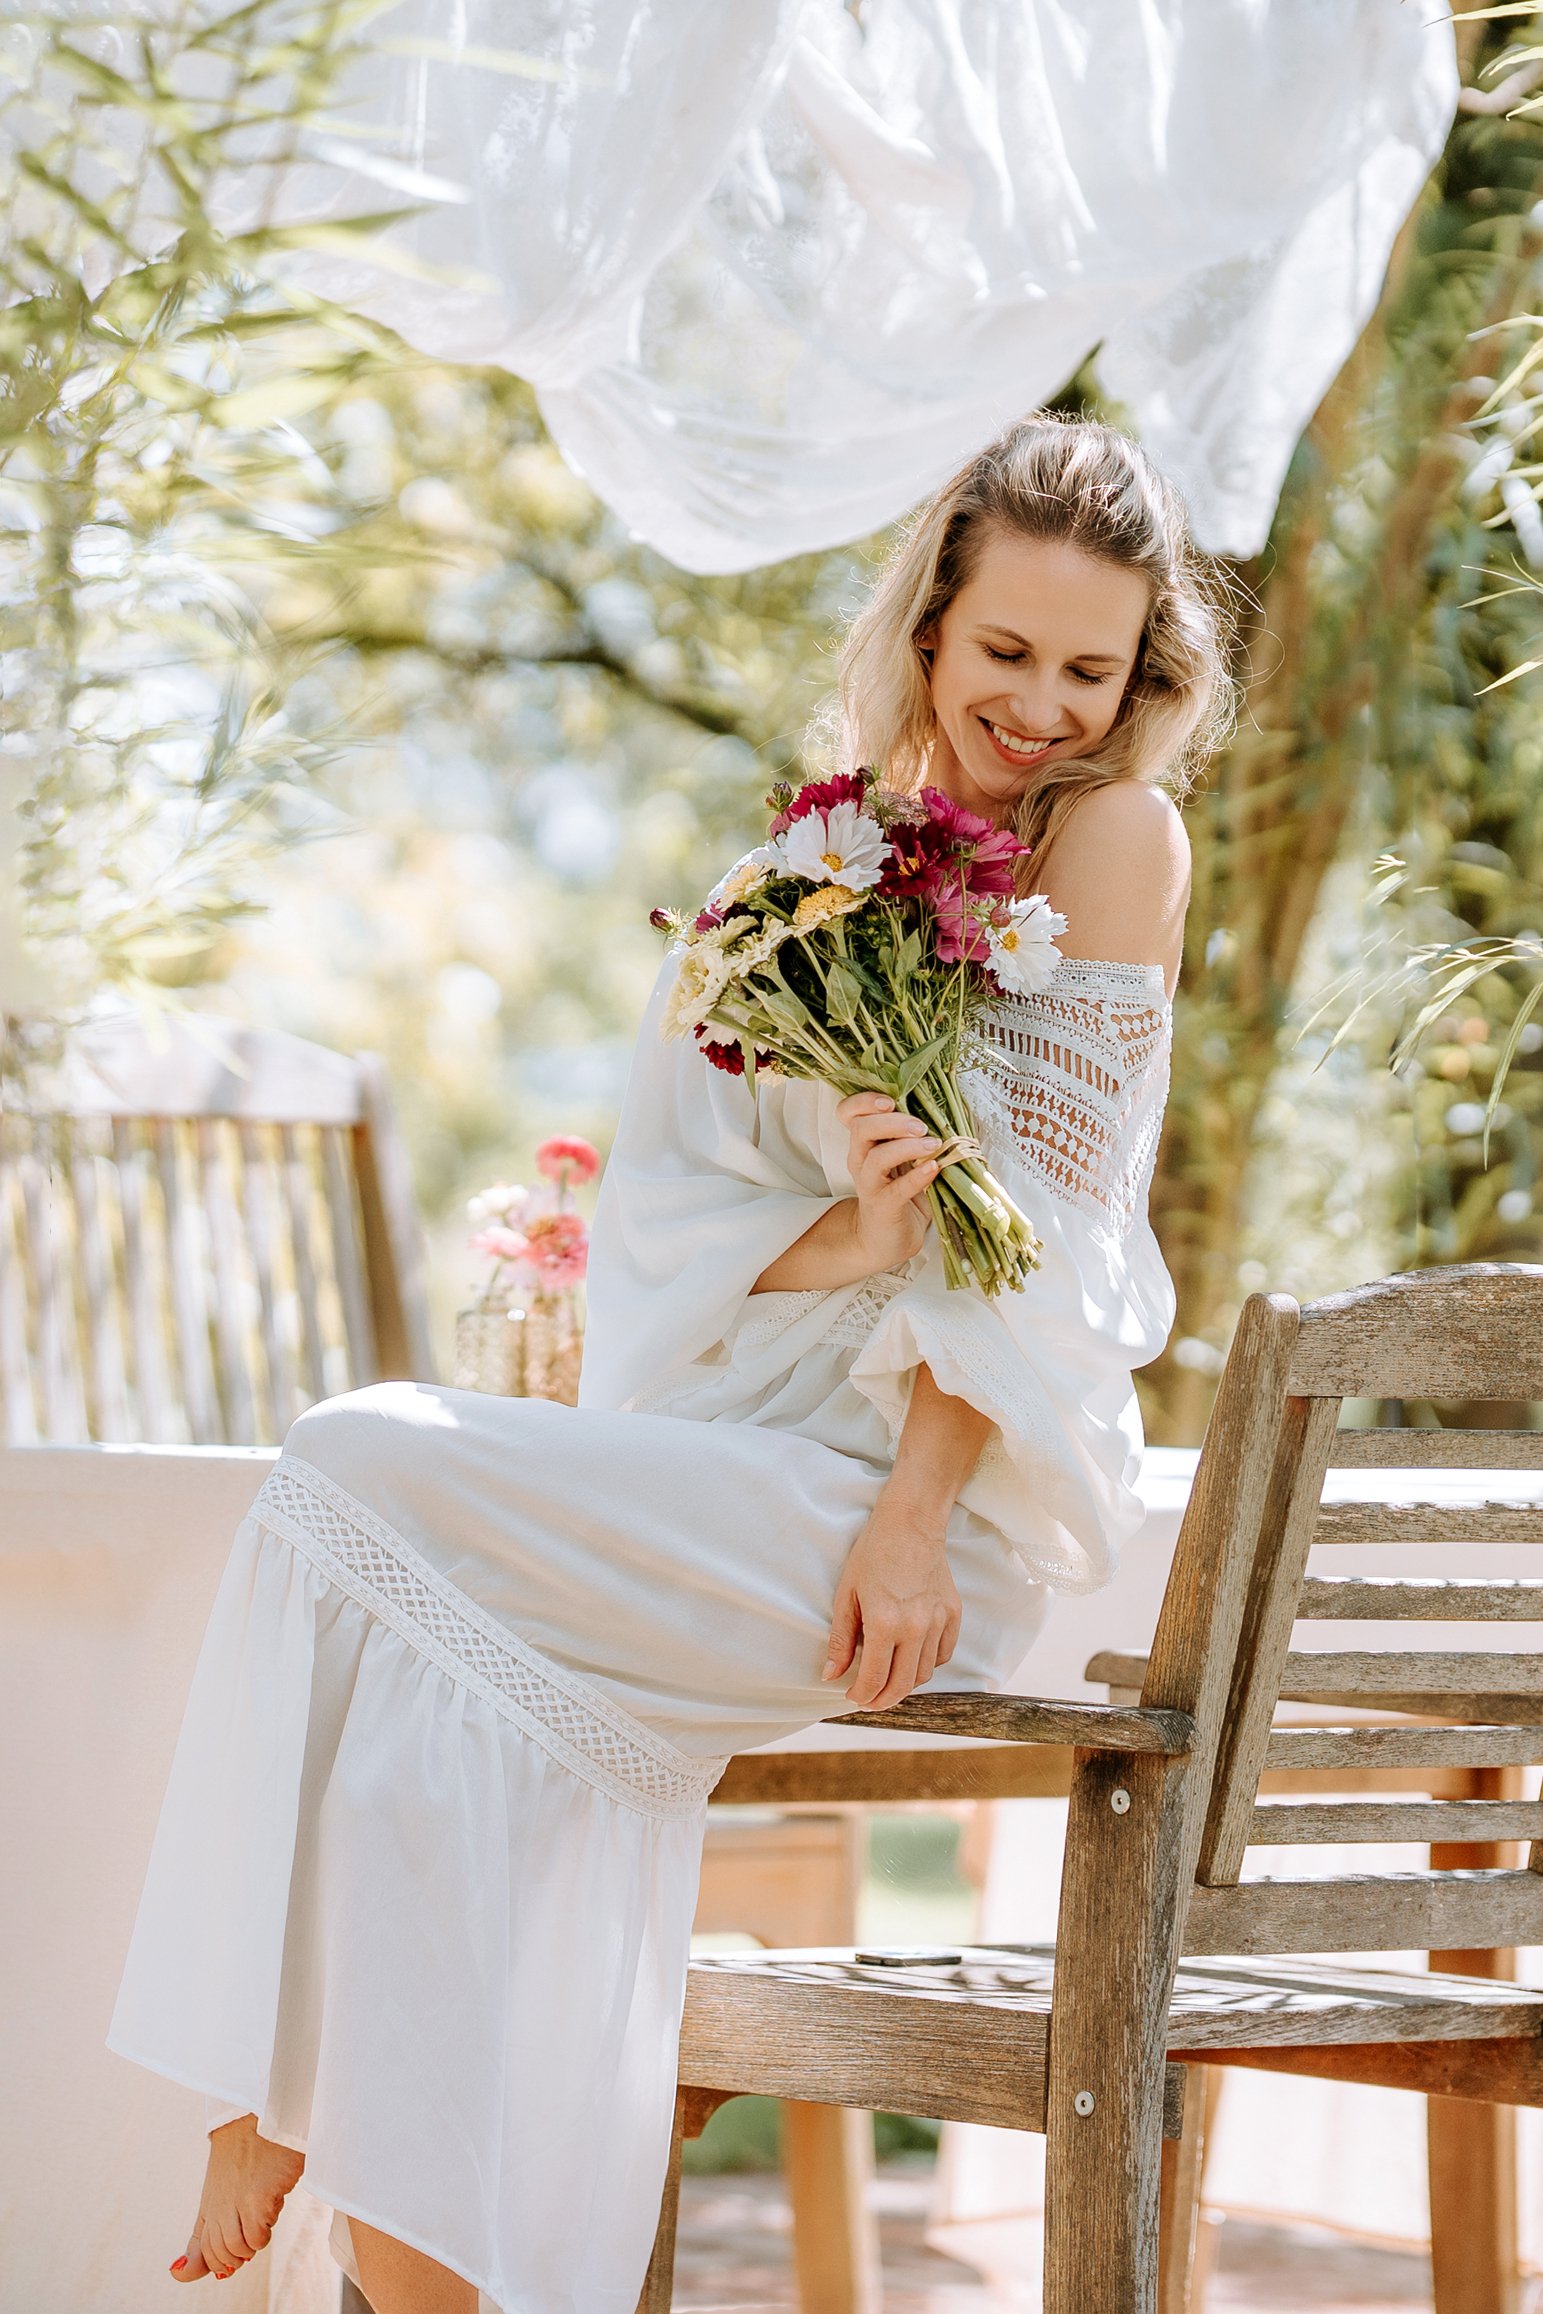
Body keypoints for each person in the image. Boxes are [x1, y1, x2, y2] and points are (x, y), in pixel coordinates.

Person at [110, 414, 1232, 2314]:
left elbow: (1046, 1236)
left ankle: (264, 2080)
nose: (1043, 707)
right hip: (735, 1453)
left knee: (343, 1460)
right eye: (1006, 655)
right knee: (418, 1738)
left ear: (1145, 679)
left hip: (913, 1526)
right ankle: (437, 2279)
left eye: (1091, 668)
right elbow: (675, 1230)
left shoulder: (1115, 841)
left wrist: (909, 1517)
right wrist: (863, 1225)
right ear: (931, 630)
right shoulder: (812, 865)